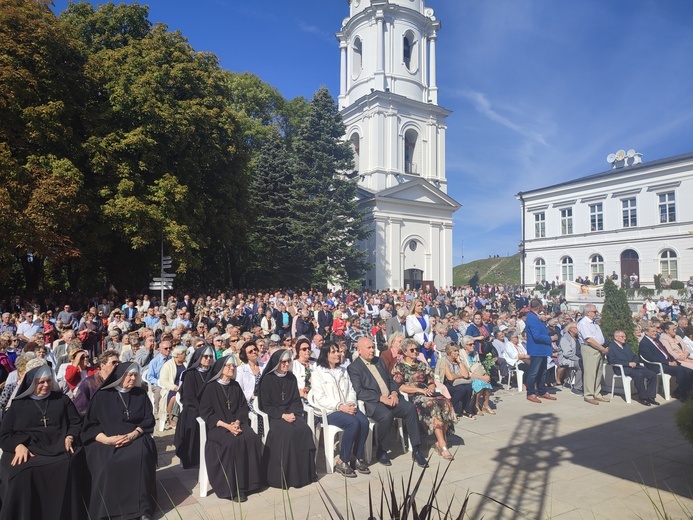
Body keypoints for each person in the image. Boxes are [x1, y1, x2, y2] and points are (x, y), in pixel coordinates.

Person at [0, 364, 85, 520]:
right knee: (22, 473)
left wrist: (71, 435)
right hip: (30, 449)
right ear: (31, 383)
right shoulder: (19, 405)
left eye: (48, 381)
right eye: (41, 382)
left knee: (68, 464)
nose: (46, 385)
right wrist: (18, 446)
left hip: (59, 446)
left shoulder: (62, 400)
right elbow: (4, 434)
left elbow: (76, 422)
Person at [81, 362, 157, 520]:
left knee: (141, 456)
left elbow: (148, 420)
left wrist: (133, 434)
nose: (132, 378)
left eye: (135, 375)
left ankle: (142, 510)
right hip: (107, 440)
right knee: (108, 463)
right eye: (129, 375)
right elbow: (90, 426)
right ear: (119, 376)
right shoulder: (102, 395)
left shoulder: (140, 394)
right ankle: (107, 510)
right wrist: (107, 440)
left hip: (134, 437)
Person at [347, 337, 428, 468]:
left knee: (410, 408)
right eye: (369, 348)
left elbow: (391, 380)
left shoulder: (379, 361)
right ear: (359, 350)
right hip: (373, 403)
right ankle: (382, 451)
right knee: (386, 416)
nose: (372, 350)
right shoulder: (354, 368)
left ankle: (416, 449)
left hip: (391, 398)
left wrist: (394, 393)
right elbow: (359, 391)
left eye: (373, 347)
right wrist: (380, 398)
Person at [198, 355, 264, 502]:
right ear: (221, 369)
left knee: (252, 438)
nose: (232, 368)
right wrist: (227, 425)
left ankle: (252, 483)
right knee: (231, 443)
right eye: (229, 366)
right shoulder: (210, 387)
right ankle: (233, 488)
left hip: (236, 423)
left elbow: (242, 406)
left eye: (233, 366)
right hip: (218, 426)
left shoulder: (234, 385)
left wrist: (237, 422)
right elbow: (206, 412)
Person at [308, 341, 370, 477]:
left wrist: (351, 403)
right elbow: (320, 398)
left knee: (364, 422)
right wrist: (340, 406)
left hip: (346, 406)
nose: (338, 354)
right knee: (353, 423)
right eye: (334, 352)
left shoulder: (342, 371)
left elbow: (351, 390)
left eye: (339, 351)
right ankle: (342, 460)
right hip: (329, 411)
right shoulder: (318, 373)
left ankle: (356, 457)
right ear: (326, 355)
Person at [257, 349, 317, 488]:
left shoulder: (291, 378)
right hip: (276, 416)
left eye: (288, 361)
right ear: (276, 362)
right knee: (287, 434)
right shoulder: (267, 379)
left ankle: (304, 475)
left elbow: (296, 400)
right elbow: (265, 404)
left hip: (291, 414)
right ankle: (287, 477)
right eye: (282, 362)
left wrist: (294, 414)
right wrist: (282, 415)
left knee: (304, 430)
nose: (285, 364)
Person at [393, 338, 456, 460]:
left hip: (426, 392)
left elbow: (431, 381)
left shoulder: (421, 365)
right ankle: (442, 444)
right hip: (412, 396)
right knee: (433, 405)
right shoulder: (400, 366)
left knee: (445, 402)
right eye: (412, 350)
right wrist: (420, 390)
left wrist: (431, 388)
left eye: (417, 349)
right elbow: (400, 386)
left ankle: (440, 440)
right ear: (405, 352)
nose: (415, 352)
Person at [174, 346, 215, 468]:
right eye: (205, 356)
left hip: (211, 409)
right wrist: (204, 411)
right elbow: (189, 398)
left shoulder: (213, 373)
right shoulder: (189, 374)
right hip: (194, 409)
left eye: (211, 357)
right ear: (198, 358)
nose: (208, 359)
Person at [639, 324, 693, 400]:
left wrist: (673, 360)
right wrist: (668, 362)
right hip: (657, 366)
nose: (655, 333)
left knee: (689, 371)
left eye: (656, 331)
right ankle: (683, 394)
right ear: (646, 332)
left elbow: (666, 352)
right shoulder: (644, 343)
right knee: (680, 370)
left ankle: (679, 391)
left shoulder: (656, 340)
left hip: (667, 362)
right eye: (653, 331)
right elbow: (651, 358)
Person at [607, 330, 658, 406]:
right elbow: (612, 360)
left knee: (652, 374)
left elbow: (634, 356)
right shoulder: (611, 347)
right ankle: (642, 397)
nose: (625, 338)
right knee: (639, 375)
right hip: (622, 368)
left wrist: (634, 362)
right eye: (622, 337)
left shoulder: (626, 346)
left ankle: (650, 397)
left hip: (634, 366)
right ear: (616, 337)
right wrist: (628, 363)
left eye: (625, 336)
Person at [524, 299, 556, 403]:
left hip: (542, 349)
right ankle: (530, 393)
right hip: (537, 349)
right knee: (534, 372)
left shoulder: (535, 317)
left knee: (542, 371)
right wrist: (550, 339)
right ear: (539, 307)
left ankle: (542, 391)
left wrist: (542, 318)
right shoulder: (532, 318)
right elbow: (536, 336)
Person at [577, 304, 609, 405]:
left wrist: (602, 348)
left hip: (598, 349)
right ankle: (589, 395)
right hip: (590, 349)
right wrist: (602, 349)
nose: (596, 313)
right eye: (594, 312)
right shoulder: (583, 323)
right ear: (588, 313)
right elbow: (589, 339)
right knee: (590, 373)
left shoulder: (594, 323)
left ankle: (597, 393)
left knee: (598, 372)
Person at [73, 349, 120, 416]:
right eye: (114, 362)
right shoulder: (88, 383)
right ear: (102, 365)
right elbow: (80, 409)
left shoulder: (118, 382)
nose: (117, 365)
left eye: (118, 363)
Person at [460, 335, 495, 415]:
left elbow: (480, 365)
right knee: (479, 382)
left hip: (477, 373)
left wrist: (485, 374)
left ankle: (485, 405)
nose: (473, 346)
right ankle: (475, 406)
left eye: (473, 344)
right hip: (468, 375)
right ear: (465, 346)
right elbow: (466, 372)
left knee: (487, 382)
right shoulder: (461, 354)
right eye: (470, 344)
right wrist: (482, 377)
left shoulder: (475, 353)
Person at [440, 343, 475, 420]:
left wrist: (459, 362)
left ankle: (465, 409)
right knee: (461, 390)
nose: (458, 353)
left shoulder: (458, 360)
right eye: (455, 351)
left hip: (458, 382)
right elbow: (450, 377)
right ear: (449, 352)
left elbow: (466, 375)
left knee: (468, 388)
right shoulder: (444, 361)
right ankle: (449, 409)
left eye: (458, 351)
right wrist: (460, 375)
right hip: (446, 383)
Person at [159, 345, 188, 428]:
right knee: (174, 397)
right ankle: (172, 417)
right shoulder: (168, 365)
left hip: (185, 387)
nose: (185, 355)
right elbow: (163, 381)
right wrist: (175, 387)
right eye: (184, 354)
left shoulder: (185, 364)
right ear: (178, 355)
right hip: (172, 388)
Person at [557, 323, 583, 394]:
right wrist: (579, 359)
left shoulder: (579, 338)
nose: (579, 329)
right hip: (567, 360)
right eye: (577, 328)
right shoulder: (565, 338)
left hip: (577, 358)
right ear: (571, 329)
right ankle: (577, 388)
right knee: (581, 366)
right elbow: (567, 354)